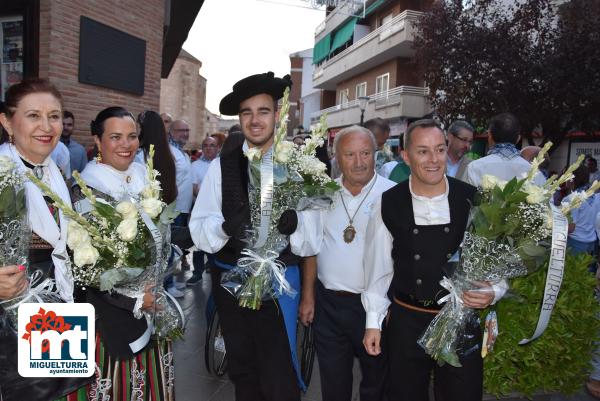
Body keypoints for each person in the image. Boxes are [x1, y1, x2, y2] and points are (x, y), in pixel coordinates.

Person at [189, 71, 321, 401]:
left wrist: (297, 224)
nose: (255, 120)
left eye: (263, 111)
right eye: (246, 113)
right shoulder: (222, 166)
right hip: (230, 282)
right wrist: (223, 227)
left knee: (279, 374)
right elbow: (199, 226)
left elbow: (311, 241)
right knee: (243, 369)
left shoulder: (300, 167)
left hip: (280, 286)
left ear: (277, 115)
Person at [362, 119, 503, 401]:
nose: (433, 159)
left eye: (439, 150)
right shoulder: (388, 202)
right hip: (406, 321)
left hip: (459, 318)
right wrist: (373, 321)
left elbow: (492, 262)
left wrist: (493, 291)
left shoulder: (471, 199)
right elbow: (377, 268)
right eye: (423, 151)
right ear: (406, 155)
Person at [64, 106, 173, 401]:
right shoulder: (86, 189)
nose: (126, 144)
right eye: (115, 137)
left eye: (132, 136)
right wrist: (138, 298)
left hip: (149, 305)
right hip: (109, 317)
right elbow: (86, 270)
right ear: (98, 142)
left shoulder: (144, 176)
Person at [0, 78, 90, 400]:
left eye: (54, 115)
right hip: (8, 326)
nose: (47, 125)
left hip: (52, 313)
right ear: (7, 121)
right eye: (33, 115)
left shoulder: (56, 174)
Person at [299, 125, 394, 401]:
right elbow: (311, 247)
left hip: (375, 307)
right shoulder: (321, 193)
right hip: (329, 304)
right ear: (336, 158)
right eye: (350, 154)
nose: (359, 162)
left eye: (365, 153)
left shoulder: (393, 195)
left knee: (376, 381)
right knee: (333, 381)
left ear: (375, 154)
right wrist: (308, 296)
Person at [464, 113, 545, 186]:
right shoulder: (534, 173)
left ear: (490, 136)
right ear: (518, 138)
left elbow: (464, 200)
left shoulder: (475, 167)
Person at [186, 136, 220, 285]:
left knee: (216, 240)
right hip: (200, 209)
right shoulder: (195, 166)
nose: (208, 148)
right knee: (199, 242)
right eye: (205, 145)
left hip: (218, 210)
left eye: (212, 145)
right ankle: (197, 273)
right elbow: (194, 189)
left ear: (217, 147)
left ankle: (214, 270)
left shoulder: (221, 164)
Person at [168, 119, 193, 296]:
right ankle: (167, 285)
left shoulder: (181, 152)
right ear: (171, 132)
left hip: (183, 208)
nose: (184, 133)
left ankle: (172, 281)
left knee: (177, 248)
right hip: (173, 209)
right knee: (169, 248)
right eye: (180, 130)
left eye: (187, 130)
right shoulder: (169, 151)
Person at [136, 110, 178, 205]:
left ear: (144, 129)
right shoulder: (166, 153)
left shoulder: (140, 156)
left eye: (138, 126)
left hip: (147, 207)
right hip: (162, 205)